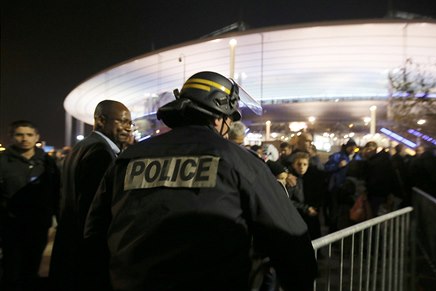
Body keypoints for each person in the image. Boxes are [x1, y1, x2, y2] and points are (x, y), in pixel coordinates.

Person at [84, 71, 317, 291]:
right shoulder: (239, 162)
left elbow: (94, 233)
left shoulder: (127, 158)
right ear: (218, 118)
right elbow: (290, 239)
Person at [49, 100, 132, 291]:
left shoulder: (82, 146)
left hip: (69, 238)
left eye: (130, 123)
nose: (128, 128)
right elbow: (95, 206)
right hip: (86, 247)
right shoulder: (101, 152)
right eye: (123, 121)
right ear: (101, 120)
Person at [0, 120, 60, 290]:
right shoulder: (3, 161)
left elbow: (56, 191)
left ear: (36, 137)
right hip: (11, 226)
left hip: (38, 225)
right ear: (12, 137)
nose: (24, 139)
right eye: (19, 134)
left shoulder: (47, 162)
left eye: (29, 135)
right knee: (11, 270)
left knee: (32, 268)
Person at [323, 138, 357, 232]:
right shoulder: (337, 156)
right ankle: (333, 231)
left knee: (347, 211)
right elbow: (326, 167)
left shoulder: (357, 157)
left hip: (350, 190)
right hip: (336, 188)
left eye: (354, 147)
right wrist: (338, 166)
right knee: (335, 210)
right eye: (350, 147)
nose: (352, 149)